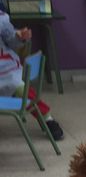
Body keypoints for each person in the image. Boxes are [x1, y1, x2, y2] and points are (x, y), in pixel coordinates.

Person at [0, 11, 64, 140]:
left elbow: (12, 39)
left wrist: (19, 36)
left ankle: (47, 119)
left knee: (21, 89)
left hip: (5, 68)